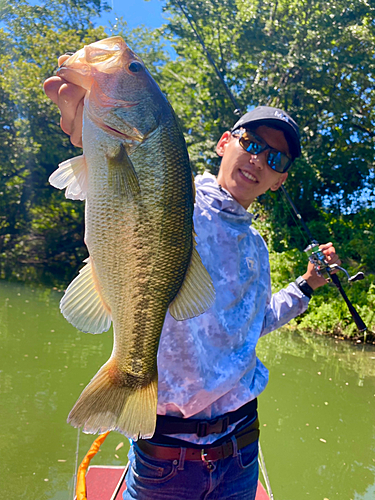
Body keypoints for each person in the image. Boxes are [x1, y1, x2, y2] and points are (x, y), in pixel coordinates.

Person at [44, 59, 340, 500]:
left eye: (275, 158)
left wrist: (306, 286)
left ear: (279, 180)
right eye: (252, 142)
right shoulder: (182, 197)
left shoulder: (257, 248)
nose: (259, 159)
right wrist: (94, 123)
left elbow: (252, 326)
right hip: (163, 455)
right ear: (225, 143)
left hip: (241, 447)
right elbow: (127, 189)